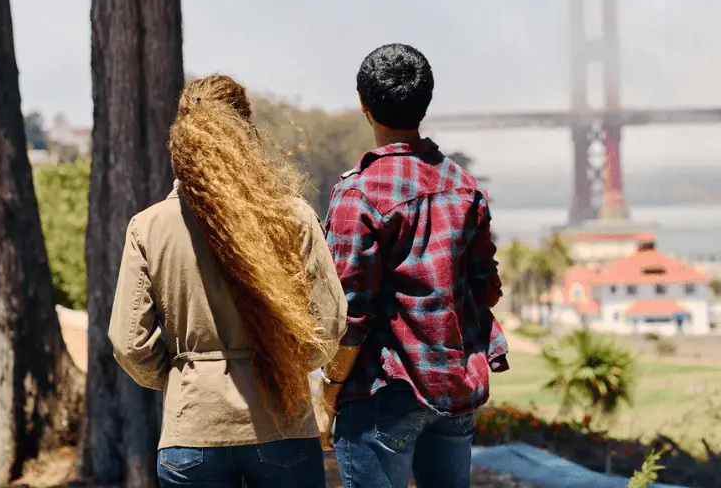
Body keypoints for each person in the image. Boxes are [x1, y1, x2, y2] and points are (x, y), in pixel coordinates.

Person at [109, 75, 348, 488]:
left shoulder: (148, 226)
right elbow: (329, 325)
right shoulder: (291, 216)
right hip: (283, 425)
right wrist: (287, 364)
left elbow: (130, 343)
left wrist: (187, 377)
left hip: (192, 429)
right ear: (247, 133)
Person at [317, 43, 509, 488]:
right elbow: (488, 286)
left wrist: (328, 391)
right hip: (454, 387)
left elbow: (350, 313)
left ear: (364, 106)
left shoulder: (359, 194)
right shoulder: (463, 186)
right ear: (425, 101)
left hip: (381, 391)